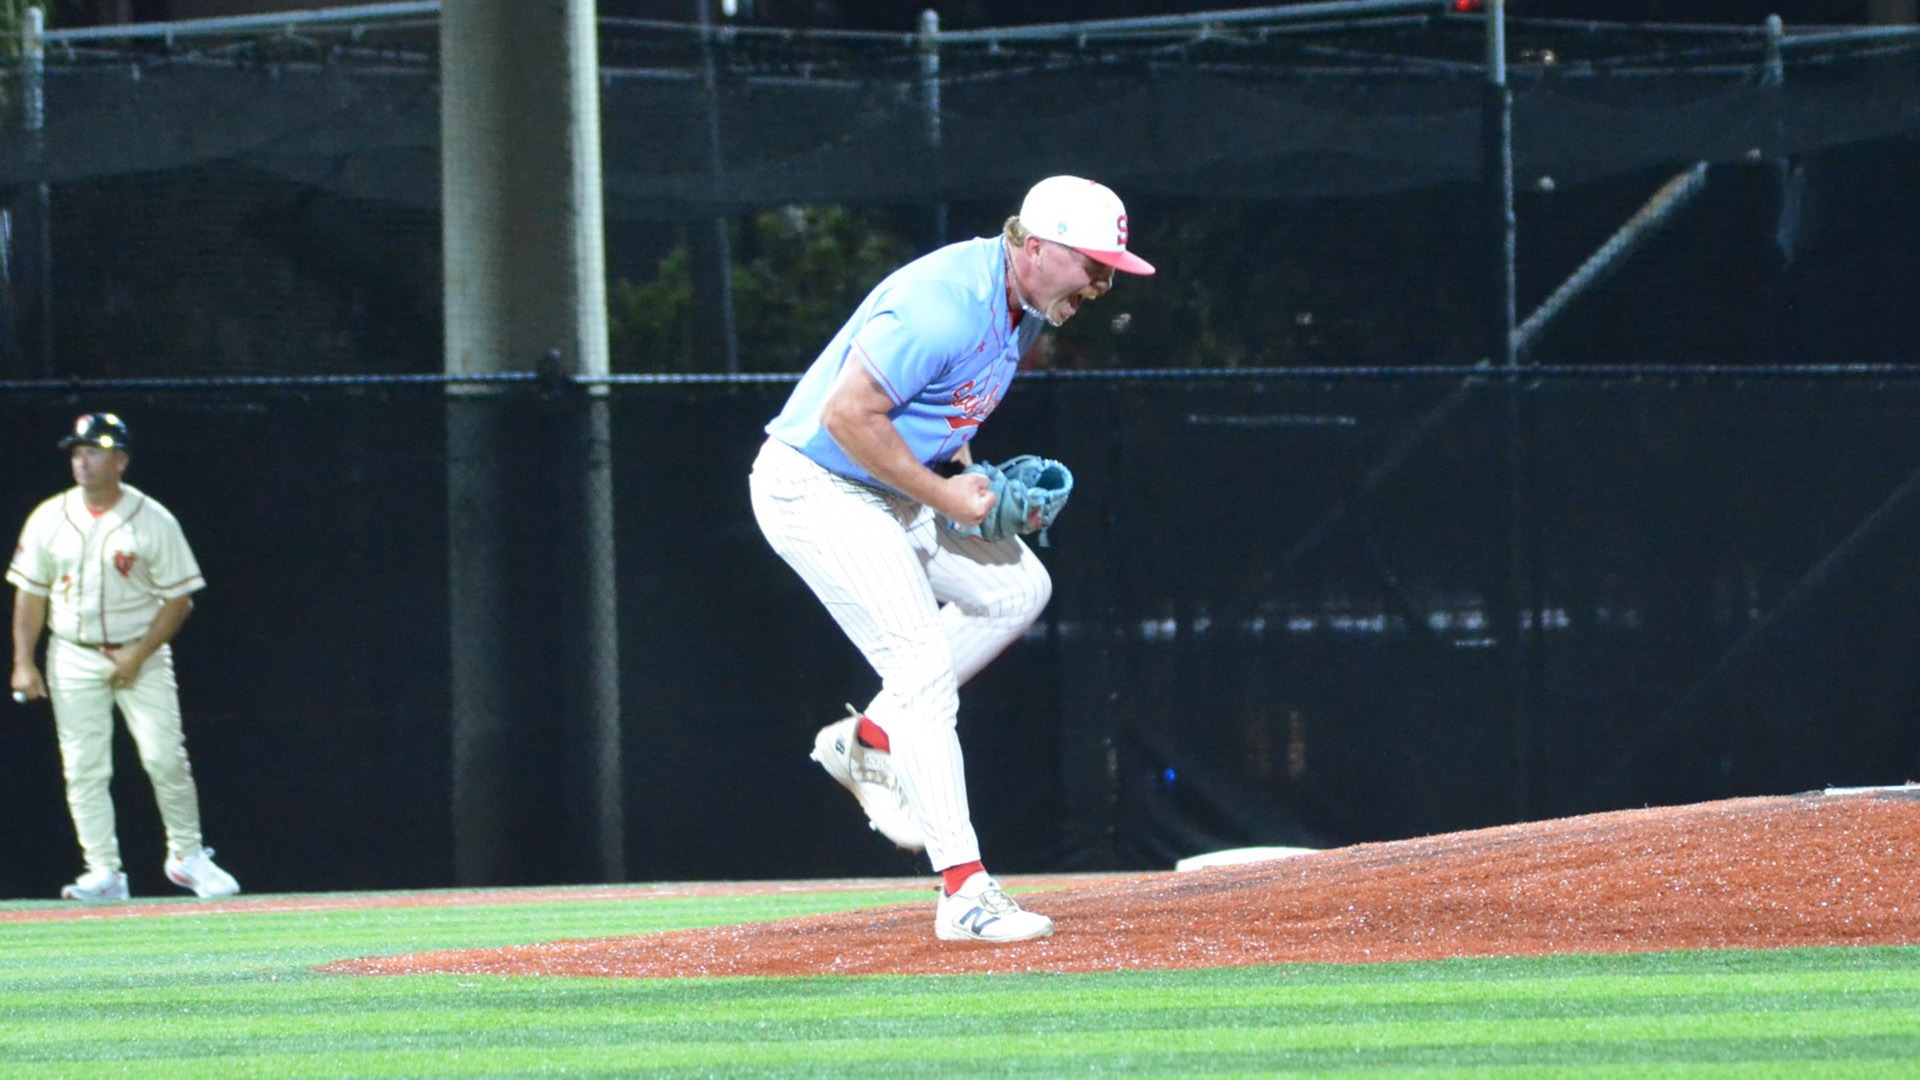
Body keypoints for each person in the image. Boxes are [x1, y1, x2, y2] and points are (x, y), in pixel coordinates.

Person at [749, 176, 1154, 942]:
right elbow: (846, 415)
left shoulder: (1024, 308)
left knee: (1016, 590)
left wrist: (976, 483)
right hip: (816, 487)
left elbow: (942, 413)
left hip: (885, 489)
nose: (1102, 285)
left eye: (1109, 271)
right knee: (922, 672)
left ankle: (868, 740)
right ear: (1039, 247)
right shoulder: (942, 303)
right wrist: (945, 497)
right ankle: (964, 894)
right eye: (1094, 266)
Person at [8, 412, 241, 902]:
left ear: (121, 461)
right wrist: (24, 661)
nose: (83, 462)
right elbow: (31, 594)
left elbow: (180, 599)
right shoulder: (49, 516)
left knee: (164, 757)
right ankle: (103, 871)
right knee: (84, 767)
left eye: (94, 452)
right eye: (78, 453)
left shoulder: (153, 519)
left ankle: (187, 856)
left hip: (142, 651)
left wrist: (139, 653)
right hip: (73, 652)